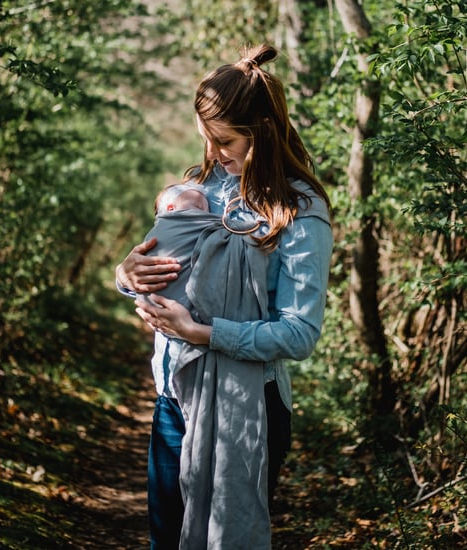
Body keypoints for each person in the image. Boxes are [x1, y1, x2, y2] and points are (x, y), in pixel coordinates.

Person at [116, 44, 333, 549]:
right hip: (174, 395)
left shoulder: (299, 211)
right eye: (206, 139)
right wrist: (124, 274)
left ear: (263, 132)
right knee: (166, 540)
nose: (213, 154)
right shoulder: (196, 189)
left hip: (249, 406)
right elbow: (150, 269)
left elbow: (299, 332)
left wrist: (203, 333)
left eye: (225, 140)